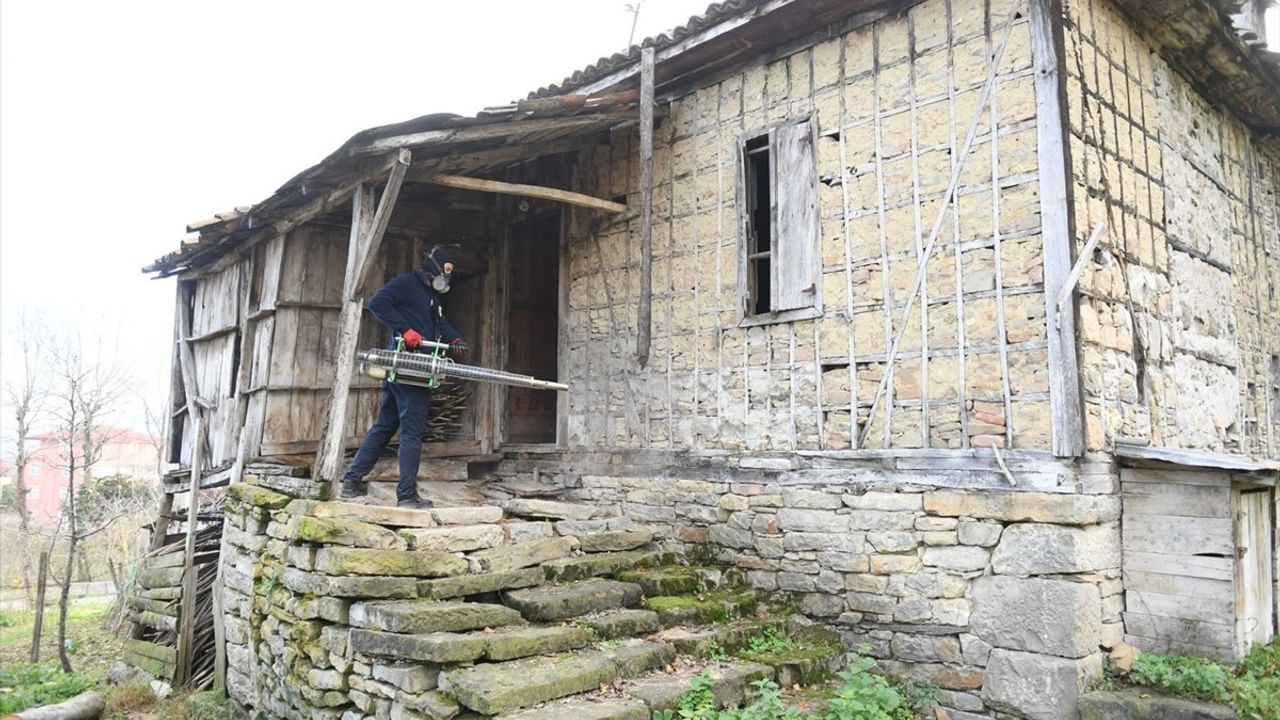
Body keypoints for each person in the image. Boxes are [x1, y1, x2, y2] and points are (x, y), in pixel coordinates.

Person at [339, 245, 468, 508]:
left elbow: (438, 323)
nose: (448, 275)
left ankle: (351, 482)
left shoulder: (433, 296)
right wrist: (405, 330)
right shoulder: (406, 284)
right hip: (408, 368)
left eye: (451, 272)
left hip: (416, 367)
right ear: (434, 265)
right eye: (446, 270)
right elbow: (377, 304)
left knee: (385, 426)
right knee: (412, 431)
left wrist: (454, 337)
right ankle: (407, 495)